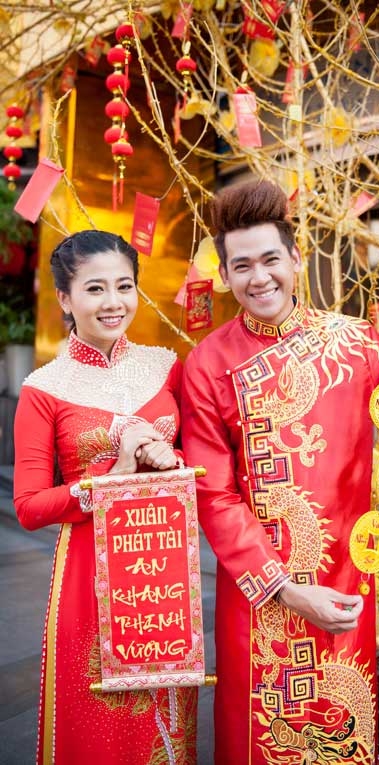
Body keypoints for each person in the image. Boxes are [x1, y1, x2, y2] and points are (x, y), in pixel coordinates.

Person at [180, 179, 379, 765]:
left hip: (345, 585)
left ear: (296, 259)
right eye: (242, 266)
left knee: (339, 739)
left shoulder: (356, 344)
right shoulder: (207, 363)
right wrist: (285, 589)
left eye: (271, 259)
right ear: (226, 275)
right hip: (261, 596)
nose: (259, 277)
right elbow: (214, 495)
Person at [14, 231, 197, 765]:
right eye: (95, 288)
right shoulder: (44, 388)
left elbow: (196, 457)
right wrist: (109, 476)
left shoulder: (166, 365)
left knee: (167, 720)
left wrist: (171, 457)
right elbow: (28, 506)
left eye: (124, 286)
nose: (113, 302)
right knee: (101, 728)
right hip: (88, 577)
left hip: (165, 568)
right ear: (65, 298)